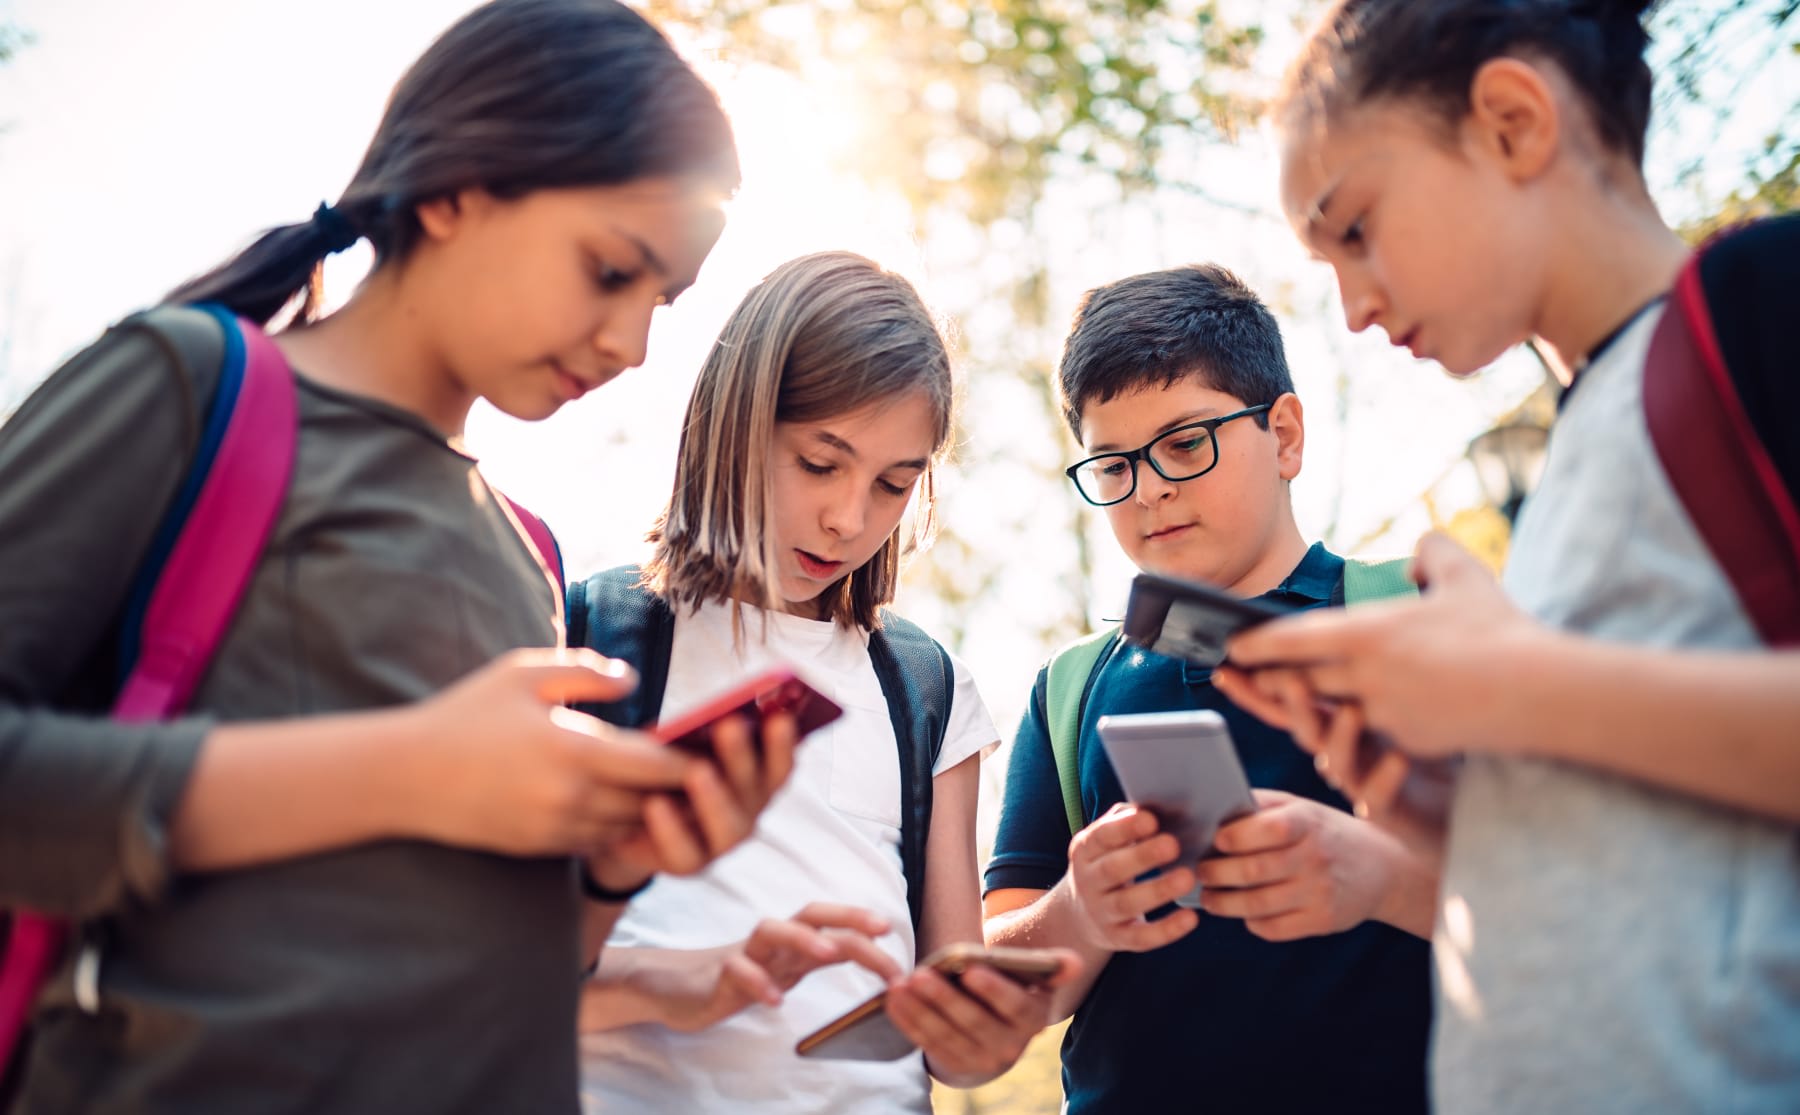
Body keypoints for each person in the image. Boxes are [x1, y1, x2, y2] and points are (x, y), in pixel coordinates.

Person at [0, 2, 793, 1110]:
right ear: (460, 187)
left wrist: (616, 864)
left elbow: (502, 961)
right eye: (613, 270)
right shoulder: (191, 387)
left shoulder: (530, 549)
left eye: (663, 301)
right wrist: (405, 767)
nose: (631, 344)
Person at [1212, 1, 1800, 1110]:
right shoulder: (1578, 444)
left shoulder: (1761, 303)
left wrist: (1511, 687)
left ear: (1512, 122)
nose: (1351, 305)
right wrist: (1461, 807)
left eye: (1356, 228)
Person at [570, 251, 1079, 1114]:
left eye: (894, 482)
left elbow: (952, 1047)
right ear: (737, 422)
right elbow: (491, 977)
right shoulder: (591, 635)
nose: (850, 519)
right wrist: (678, 981)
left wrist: (989, 1017)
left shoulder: (925, 686)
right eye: (819, 462)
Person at [980, 264, 1436, 1113]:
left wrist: (1381, 874)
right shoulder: (1073, 686)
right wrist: (1080, 911)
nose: (1150, 488)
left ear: (1286, 436)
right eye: (1113, 464)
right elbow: (1001, 978)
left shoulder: (1420, 617)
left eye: (1186, 443)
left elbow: (1562, 897)